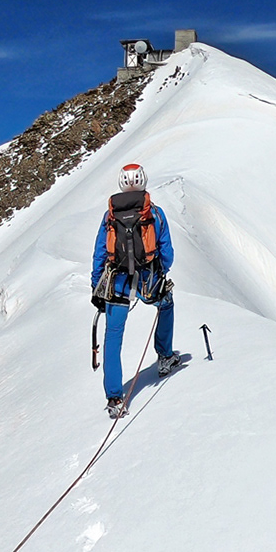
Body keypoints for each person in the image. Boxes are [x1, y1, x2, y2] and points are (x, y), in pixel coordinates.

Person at [92, 163, 184, 418]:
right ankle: (165, 357)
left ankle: (114, 398)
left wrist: (95, 285)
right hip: (148, 278)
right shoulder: (154, 212)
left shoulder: (109, 216)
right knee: (165, 305)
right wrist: (160, 271)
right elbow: (167, 252)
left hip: (117, 282)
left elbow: (100, 252)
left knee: (113, 336)